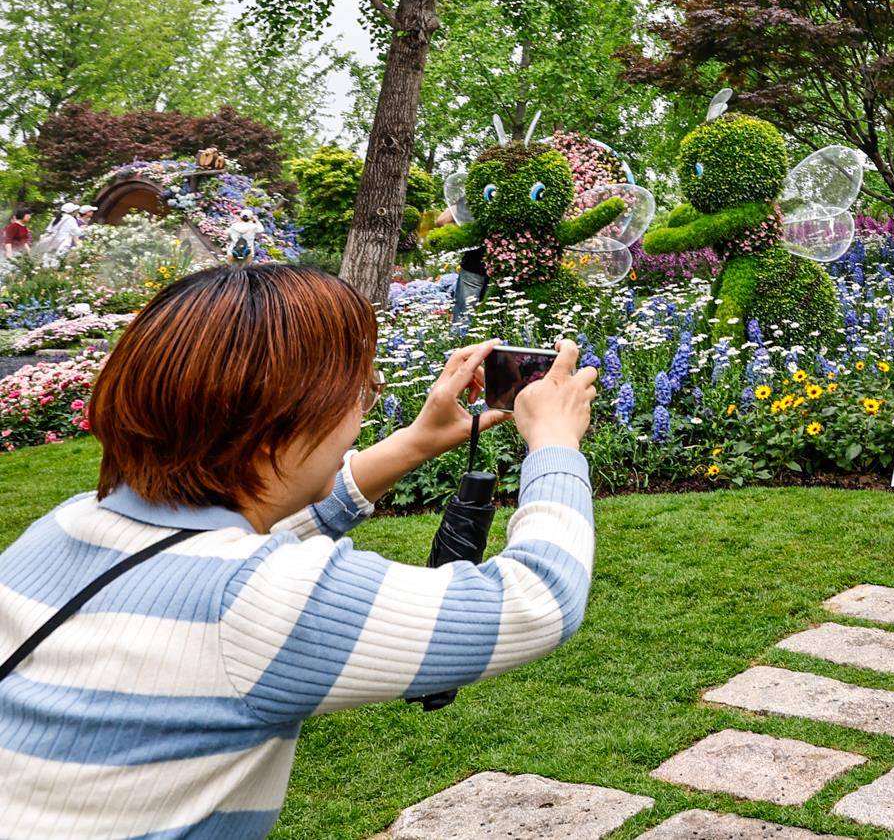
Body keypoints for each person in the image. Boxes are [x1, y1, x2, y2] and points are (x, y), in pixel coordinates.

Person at [0, 264, 601, 838]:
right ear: (286, 423)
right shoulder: (255, 604)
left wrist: (414, 443)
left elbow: (212, 558)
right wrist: (554, 444)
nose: (361, 416)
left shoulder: (59, 531)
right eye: (360, 395)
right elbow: (538, 600)